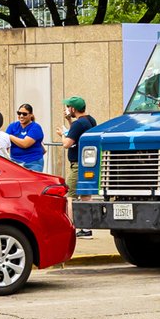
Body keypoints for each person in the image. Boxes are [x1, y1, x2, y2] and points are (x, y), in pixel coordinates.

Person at [58, 96, 97, 238]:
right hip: (87, 164)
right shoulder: (90, 120)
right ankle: (87, 228)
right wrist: (69, 121)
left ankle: (70, 227)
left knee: (69, 196)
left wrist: (62, 134)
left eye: (68, 107)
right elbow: (78, 133)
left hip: (77, 165)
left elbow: (67, 144)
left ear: (73, 109)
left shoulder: (78, 124)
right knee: (86, 196)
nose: (66, 109)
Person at [6, 103, 45, 171]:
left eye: (24, 114)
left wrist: (10, 136)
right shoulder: (12, 126)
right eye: (19, 113)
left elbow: (25, 144)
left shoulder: (35, 127)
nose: (21, 116)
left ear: (31, 115)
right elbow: (5, 143)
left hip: (33, 163)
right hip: (15, 163)